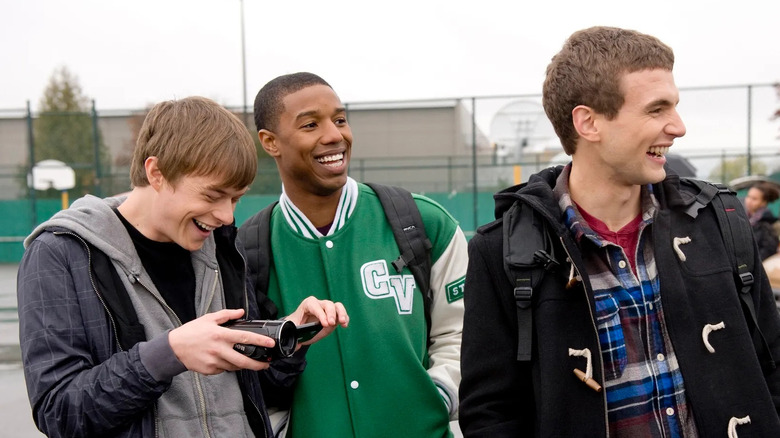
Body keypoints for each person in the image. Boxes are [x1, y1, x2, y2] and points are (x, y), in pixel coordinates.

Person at [459, 26, 780, 437]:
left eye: (675, 107)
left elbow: (771, 362)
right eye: (656, 109)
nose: (678, 127)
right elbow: (491, 415)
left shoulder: (720, 219)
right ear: (589, 122)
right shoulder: (503, 253)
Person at [16, 96, 348, 438]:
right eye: (212, 195)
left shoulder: (221, 247)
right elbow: (59, 413)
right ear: (156, 173)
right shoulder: (60, 254)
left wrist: (286, 339)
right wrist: (169, 353)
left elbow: (260, 393)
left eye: (235, 198)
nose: (226, 215)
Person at [239, 72, 467, 437]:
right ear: (270, 142)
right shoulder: (246, 251)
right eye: (311, 124)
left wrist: (435, 396)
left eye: (340, 119)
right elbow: (247, 376)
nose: (334, 135)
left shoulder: (423, 223)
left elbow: (462, 332)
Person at [744, 181, 780, 260]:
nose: (749, 201)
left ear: (763, 202)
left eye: (754, 199)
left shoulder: (768, 224)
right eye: (748, 196)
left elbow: (768, 250)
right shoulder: (744, 219)